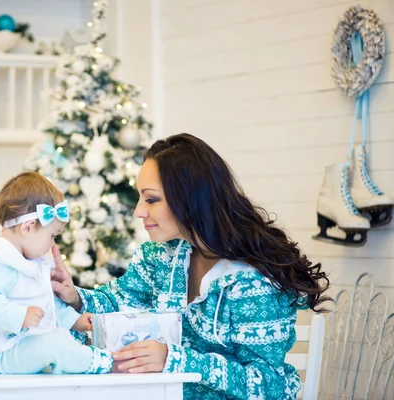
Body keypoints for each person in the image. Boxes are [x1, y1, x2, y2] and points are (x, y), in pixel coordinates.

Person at [51, 133, 330, 399]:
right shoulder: (162, 256)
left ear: (189, 198)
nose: (138, 211)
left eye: (151, 199)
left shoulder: (254, 281)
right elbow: (118, 303)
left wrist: (175, 359)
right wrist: (73, 296)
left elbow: (269, 386)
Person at [0, 172, 113, 375]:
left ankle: (86, 356)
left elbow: (49, 306)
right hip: (1, 351)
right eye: (52, 236)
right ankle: (102, 361)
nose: (53, 244)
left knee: (59, 341)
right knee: (52, 346)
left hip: (25, 344)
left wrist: (75, 320)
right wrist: (19, 316)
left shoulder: (33, 263)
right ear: (28, 228)